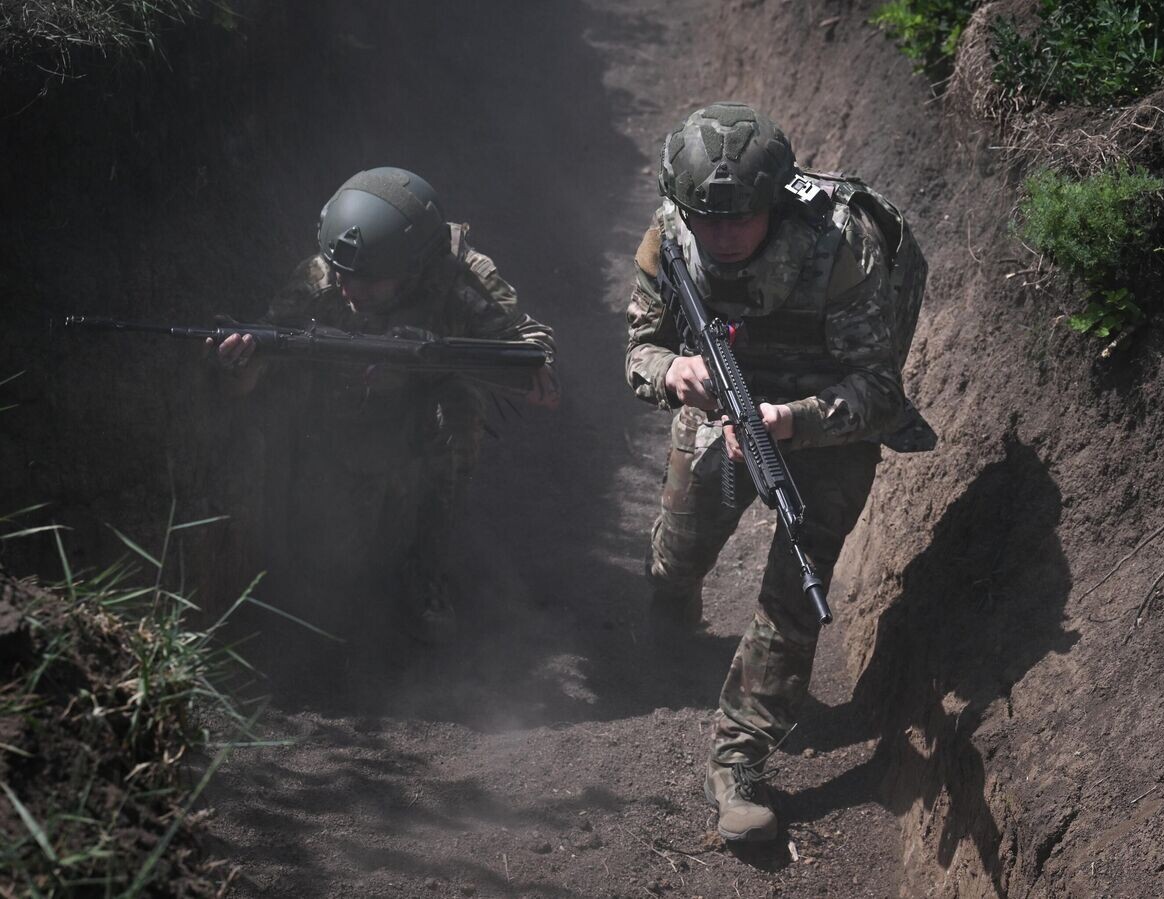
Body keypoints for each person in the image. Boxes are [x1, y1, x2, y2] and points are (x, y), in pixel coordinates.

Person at [625, 103, 934, 842]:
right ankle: (671, 621)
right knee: (678, 555)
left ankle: (737, 764)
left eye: (741, 220)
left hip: (828, 421)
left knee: (795, 587)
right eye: (708, 220)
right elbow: (637, 346)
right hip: (717, 401)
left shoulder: (843, 248)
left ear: (774, 202)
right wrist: (676, 372)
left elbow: (881, 392)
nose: (723, 236)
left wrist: (787, 421)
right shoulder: (672, 232)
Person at [211, 166, 558, 641]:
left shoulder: (462, 279)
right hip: (342, 415)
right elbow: (270, 345)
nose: (350, 292)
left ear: (415, 268)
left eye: (371, 283)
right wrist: (242, 361)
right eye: (343, 275)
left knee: (459, 412)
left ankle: (428, 573)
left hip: (432, 414)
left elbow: (535, 356)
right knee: (334, 573)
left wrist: (431, 362)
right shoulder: (322, 278)